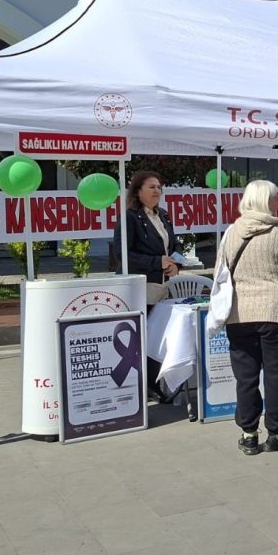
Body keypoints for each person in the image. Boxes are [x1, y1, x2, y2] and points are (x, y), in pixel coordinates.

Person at [218, 180, 278, 455]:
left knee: (245, 376)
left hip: (239, 315)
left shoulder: (231, 232)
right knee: (277, 374)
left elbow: (220, 274)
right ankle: (277, 431)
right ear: (267, 201)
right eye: (274, 198)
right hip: (276, 312)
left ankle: (248, 433)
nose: (277, 203)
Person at [113, 170, 182, 402]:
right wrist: (157, 262)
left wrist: (175, 265)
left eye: (159, 187)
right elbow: (123, 255)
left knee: (158, 336)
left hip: (162, 286)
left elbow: (173, 247)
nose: (157, 191)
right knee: (143, 337)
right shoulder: (130, 217)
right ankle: (144, 386)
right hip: (140, 288)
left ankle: (156, 382)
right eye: (151, 187)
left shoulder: (163, 215)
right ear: (138, 191)